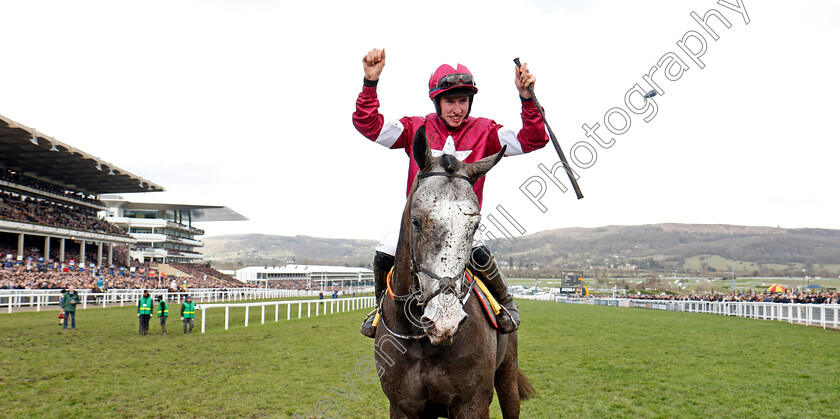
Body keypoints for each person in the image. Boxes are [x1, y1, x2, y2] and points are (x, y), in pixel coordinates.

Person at [353, 48, 549, 337]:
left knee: (480, 253)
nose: (457, 109)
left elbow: (533, 138)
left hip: (460, 224)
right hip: (420, 221)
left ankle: (506, 303)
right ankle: (380, 309)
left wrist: (527, 98)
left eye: (463, 101)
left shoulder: (487, 131)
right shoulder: (415, 128)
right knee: (384, 253)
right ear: (437, 102)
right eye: (450, 101)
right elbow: (369, 126)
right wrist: (370, 83)